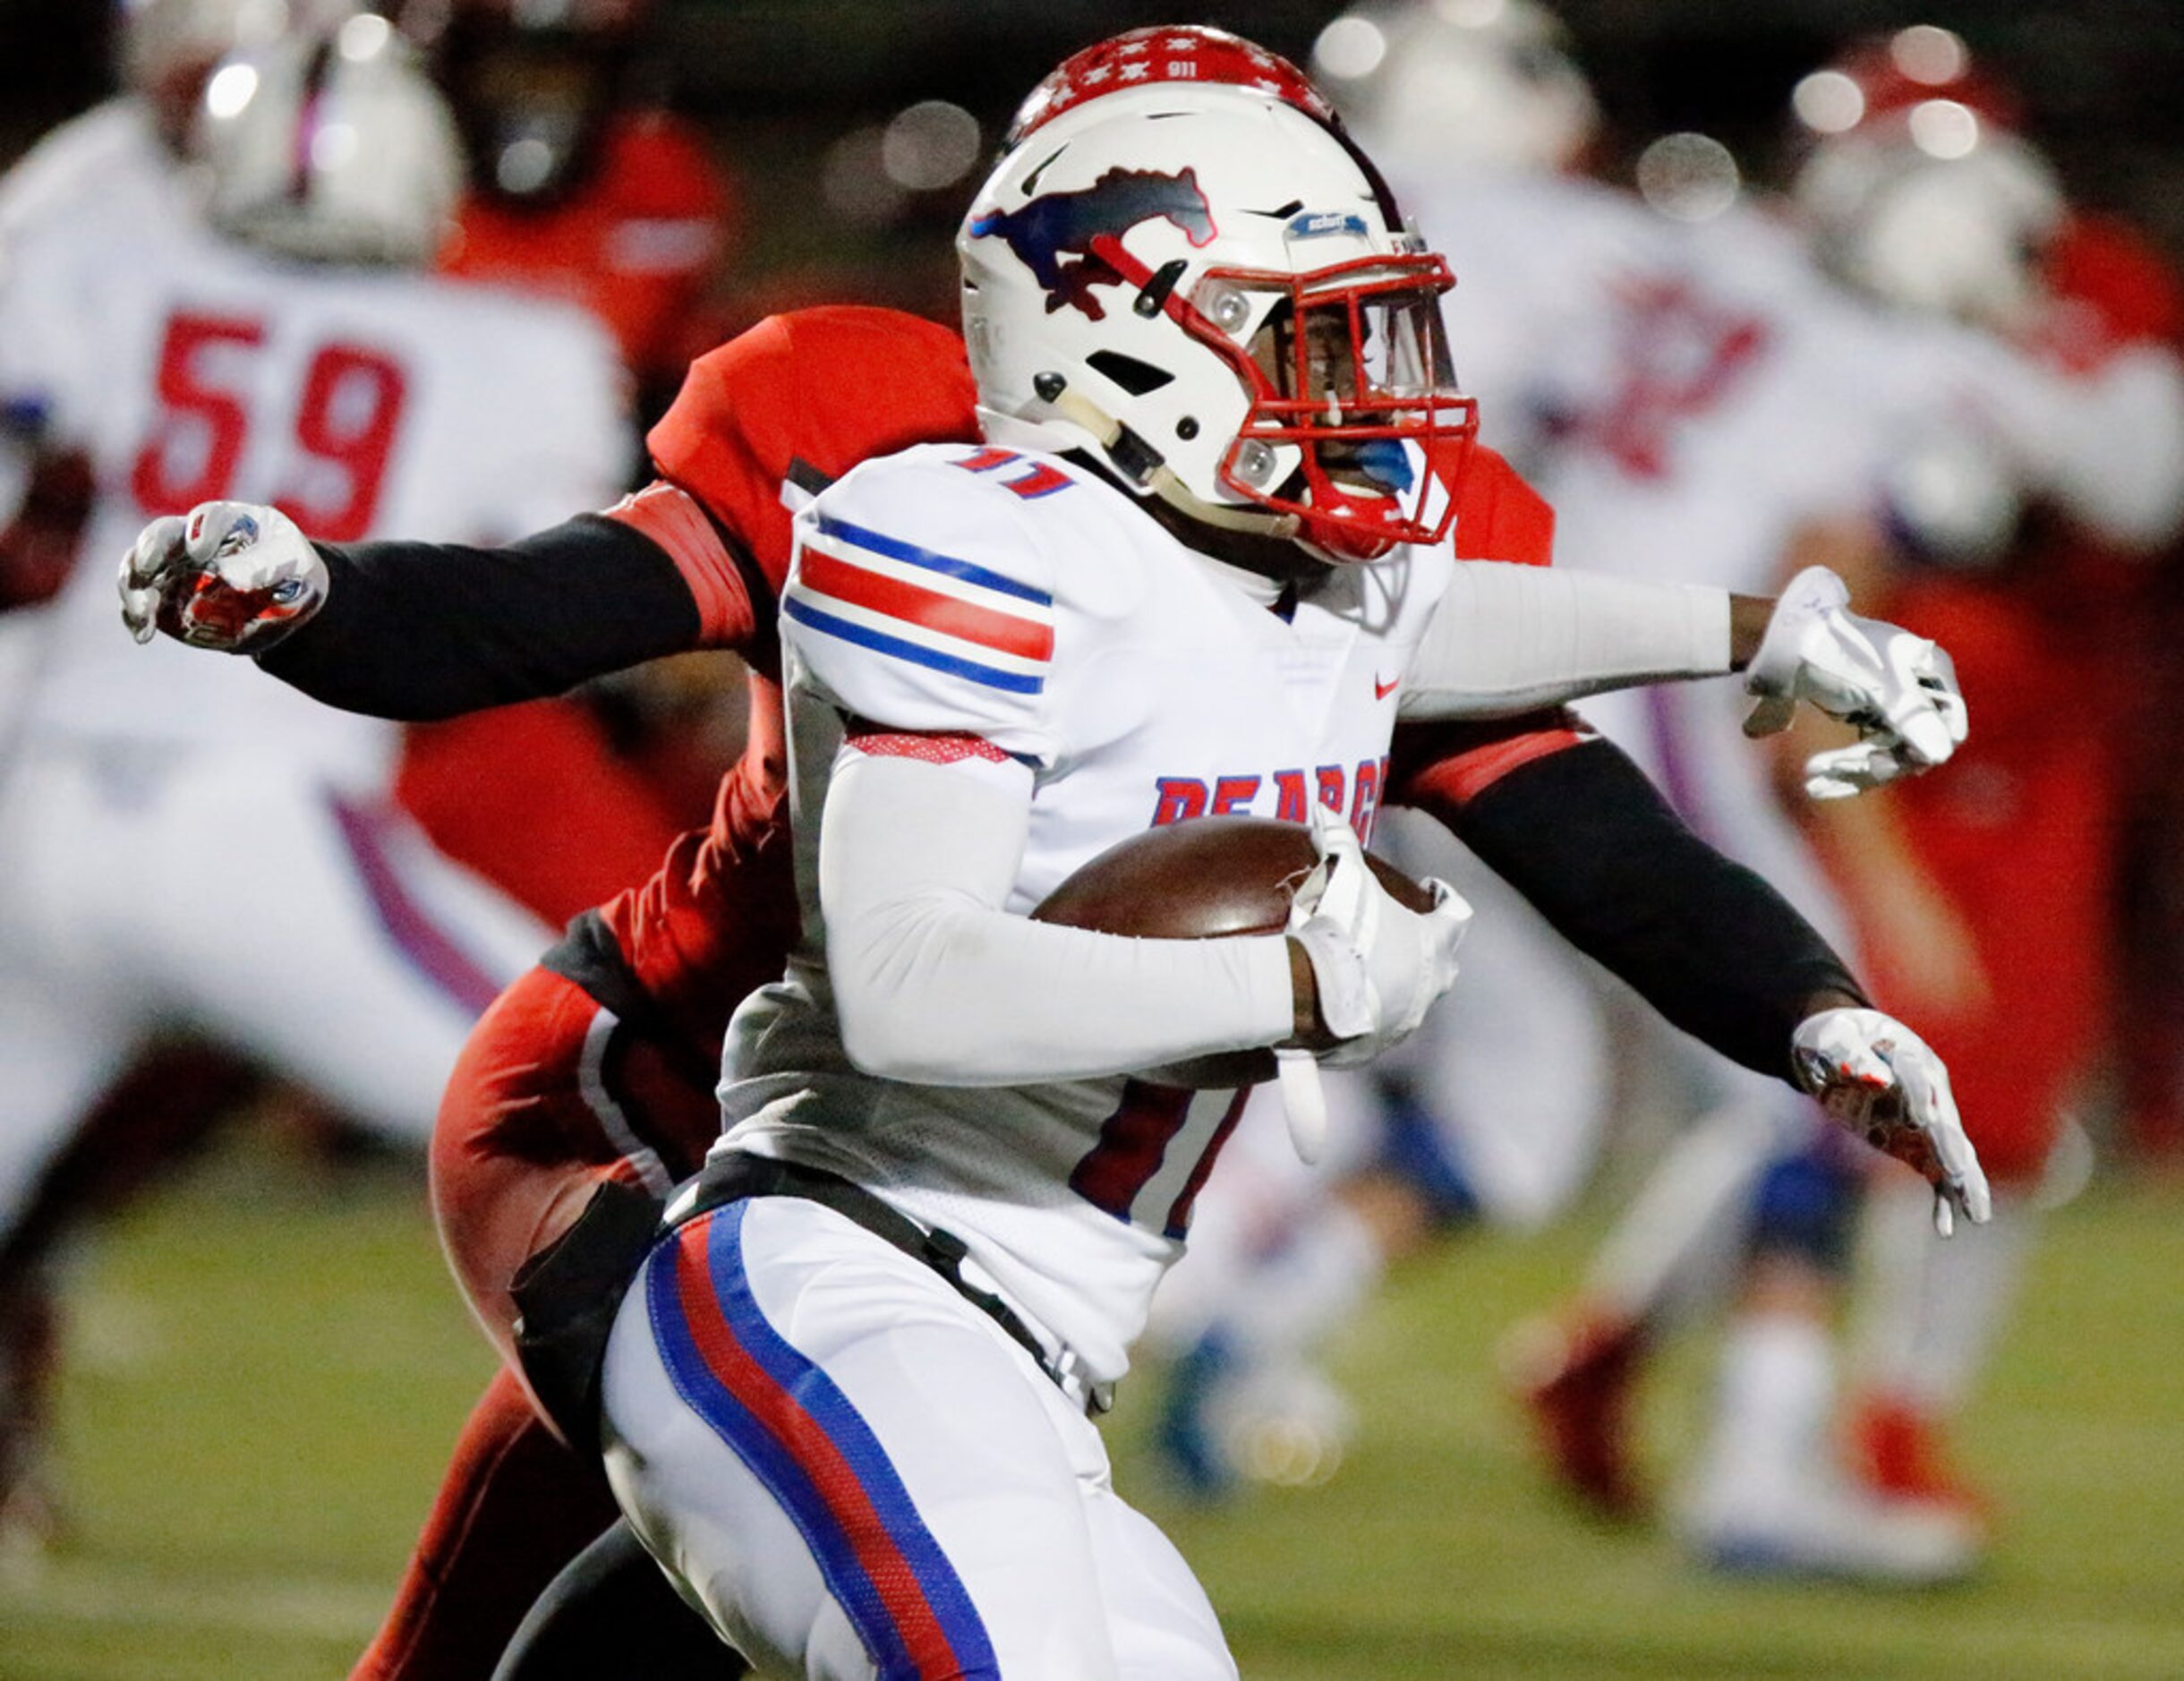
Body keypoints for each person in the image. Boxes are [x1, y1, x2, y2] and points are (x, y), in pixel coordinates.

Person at [573, 64, 1982, 1674]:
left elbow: (1452, 623)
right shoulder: (955, 537)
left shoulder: (1279, 570)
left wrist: (1766, 635)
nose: (1367, 393)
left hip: (1039, 1346)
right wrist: (1299, 981)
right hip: (844, 1279)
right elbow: (904, 992)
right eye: (1309, 336)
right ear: (1128, 331)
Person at [0, 13, 630, 1549]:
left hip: (46, 809)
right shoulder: (518, 345)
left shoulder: (99, 263)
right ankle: (760, 1493)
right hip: (261, 824)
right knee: (613, 1120)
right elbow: (576, 592)